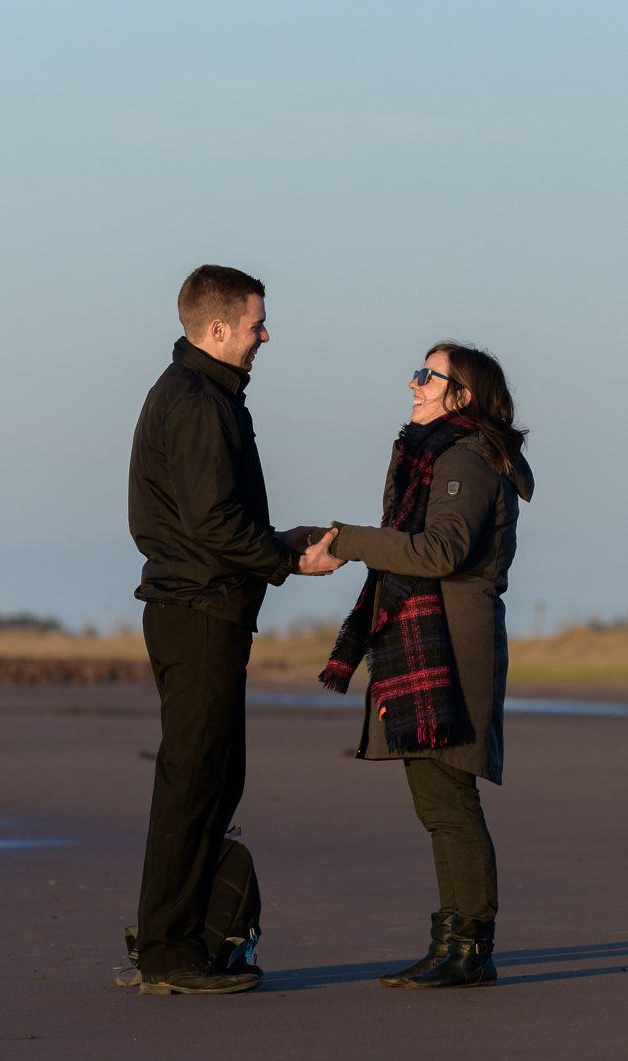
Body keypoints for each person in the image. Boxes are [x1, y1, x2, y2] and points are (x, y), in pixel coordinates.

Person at [127, 265, 340, 996]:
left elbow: (213, 521)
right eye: (256, 324)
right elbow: (213, 525)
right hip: (197, 611)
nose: (265, 336)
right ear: (216, 329)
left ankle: (171, 937)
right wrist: (289, 559)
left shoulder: (205, 394)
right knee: (197, 782)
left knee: (210, 780)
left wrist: (278, 540)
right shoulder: (195, 400)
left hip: (201, 607)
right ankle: (168, 952)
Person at [306, 342, 534, 989]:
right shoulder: (437, 454)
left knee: (450, 800)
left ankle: (470, 947)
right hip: (428, 640)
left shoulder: (467, 456)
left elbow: (440, 550)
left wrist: (347, 541)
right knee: (438, 803)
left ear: (463, 395)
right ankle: (452, 942)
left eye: (428, 376)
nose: (414, 384)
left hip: (453, 645)